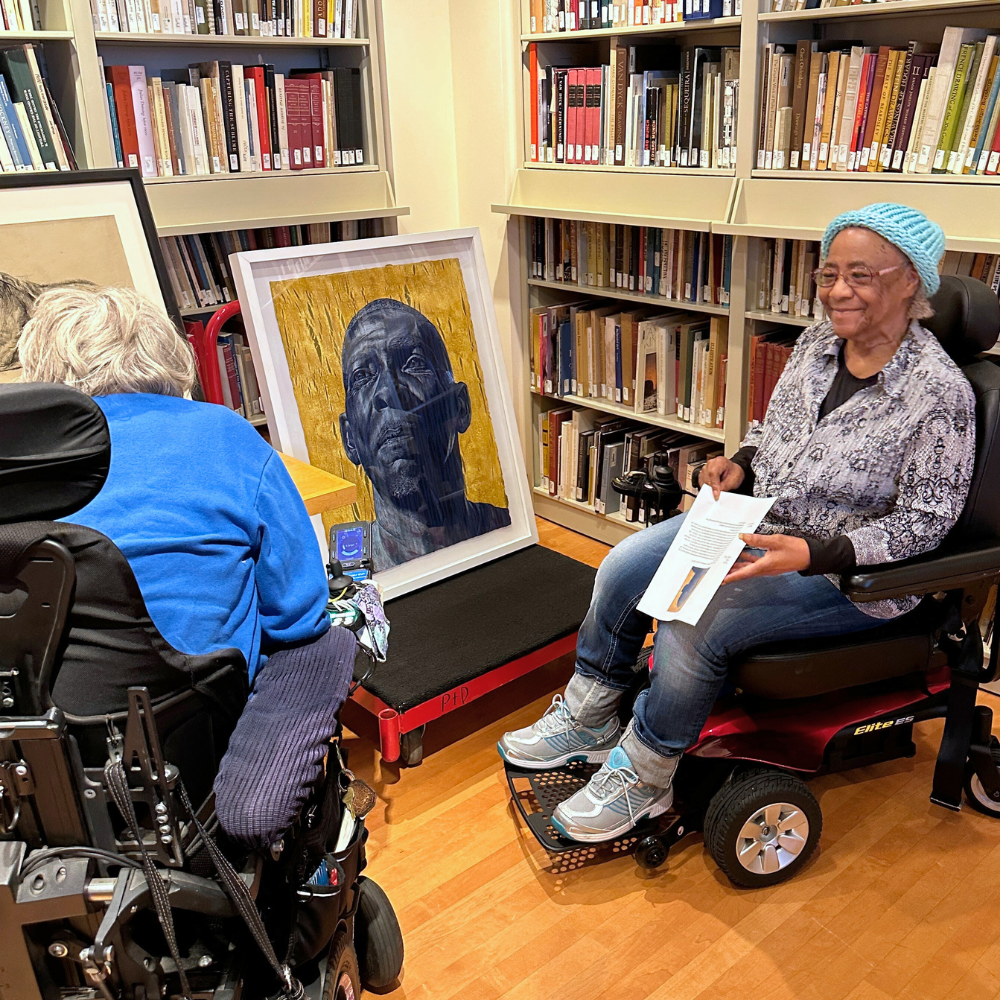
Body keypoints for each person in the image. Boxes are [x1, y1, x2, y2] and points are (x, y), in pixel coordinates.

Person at [499, 203, 976, 843]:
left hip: (851, 574)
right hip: (761, 524)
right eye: (828, 272)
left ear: (911, 280)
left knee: (696, 615)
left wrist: (814, 553)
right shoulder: (814, 345)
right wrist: (741, 469)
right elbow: (773, 436)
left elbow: (925, 523)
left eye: (860, 275)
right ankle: (590, 712)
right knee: (624, 567)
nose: (838, 291)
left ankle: (646, 772)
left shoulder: (940, 393)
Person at [16, 285, 333, 703]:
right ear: (165, 352)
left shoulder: (21, 462)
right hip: (211, 715)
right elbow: (298, 617)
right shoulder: (224, 433)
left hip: (54, 731)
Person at [339, 298, 510, 570]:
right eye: (363, 376)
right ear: (349, 438)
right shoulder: (346, 569)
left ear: (459, 407)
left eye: (412, 362)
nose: (388, 392)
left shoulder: (509, 531)